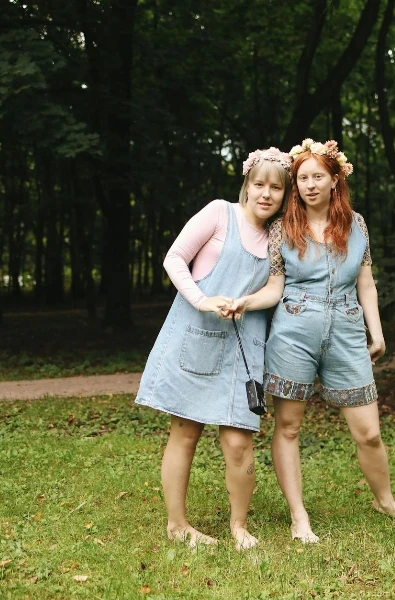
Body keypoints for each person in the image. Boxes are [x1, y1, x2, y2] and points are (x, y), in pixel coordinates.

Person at [227, 138, 395, 543]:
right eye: (302, 178)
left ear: (335, 180)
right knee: (289, 426)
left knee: (369, 431)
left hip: (347, 330)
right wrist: (247, 301)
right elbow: (276, 286)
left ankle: (384, 499)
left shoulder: (356, 224)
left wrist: (376, 331)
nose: (310, 184)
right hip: (294, 331)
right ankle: (299, 517)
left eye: (318, 176)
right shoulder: (282, 228)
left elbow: (366, 282)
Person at [135, 147, 292, 551]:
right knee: (185, 433)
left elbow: (275, 289)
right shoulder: (219, 213)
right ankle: (177, 525)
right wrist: (203, 299)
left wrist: (246, 301)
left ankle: (238, 527)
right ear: (246, 185)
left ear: (284, 194)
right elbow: (174, 259)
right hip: (197, 336)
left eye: (276, 187)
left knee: (239, 442)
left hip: (244, 347)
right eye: (259, 184)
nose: (266, 194)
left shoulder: (279, 235)